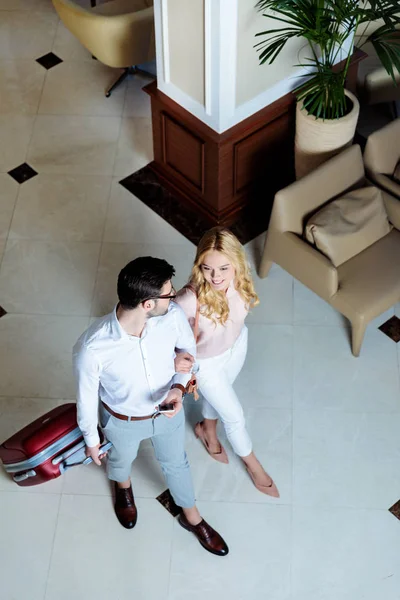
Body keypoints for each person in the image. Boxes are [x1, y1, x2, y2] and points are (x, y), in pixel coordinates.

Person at [73, 256, 229, 556]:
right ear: (147, 303)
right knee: (120, 462)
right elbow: (87, 397)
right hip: (122, 420)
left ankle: (192, 516)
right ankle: (123, 489)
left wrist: (178, 387)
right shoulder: (92, 348)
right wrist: (92, 441)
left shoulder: (170, 317)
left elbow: (187, 351)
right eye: (169, 294)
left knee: (177, 464)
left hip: (167, 413)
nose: (173, 298)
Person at [174, 228, 279, 497]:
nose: (216, 277)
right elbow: (162, 332)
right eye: (207, 268)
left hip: (237, 344)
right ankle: (253, 465)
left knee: (222, 394)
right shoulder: (188, 299)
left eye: (223, 268)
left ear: (236, 263)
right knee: (235, 417)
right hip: (206, 364)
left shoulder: (240, 281)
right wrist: (176, 357)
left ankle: (206, 428)